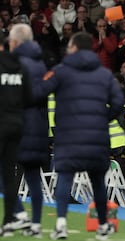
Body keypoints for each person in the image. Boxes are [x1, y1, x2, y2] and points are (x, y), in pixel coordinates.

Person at [32, 32, 124, 240]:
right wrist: (102, 119)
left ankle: (61, 224)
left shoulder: (60, 71)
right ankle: (102, 226)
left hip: (68, 136)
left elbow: (39, 92)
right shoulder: (105, 74)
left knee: (64, 177)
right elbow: (118, 103)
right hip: (97, 137)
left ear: (73, 48)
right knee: (98, 181)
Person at [9, 23, 49, 238]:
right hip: (39, 127)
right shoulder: (40, 63)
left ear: (15, 42)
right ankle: (35, 224)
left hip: (18, 126)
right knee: (33, 178)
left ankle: (21, 216)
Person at [0, 29, 31, 237]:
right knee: (8, 175)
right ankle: (12, 218)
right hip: (18, 125)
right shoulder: (23, 68)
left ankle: (15, 217)